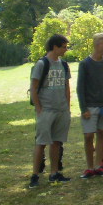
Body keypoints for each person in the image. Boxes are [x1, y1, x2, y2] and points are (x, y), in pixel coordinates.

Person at [28, 34, 72, 188]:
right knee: (41, 143)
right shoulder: (42, 64)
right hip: (46, 110)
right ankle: (35, 175)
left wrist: (67, 107)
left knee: (57, 142)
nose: (66, 50)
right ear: (55, 47)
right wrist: (39, 108)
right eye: (63, 47)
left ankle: (54, 173)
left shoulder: (64, 65)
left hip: (61, 110)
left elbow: (67, 87)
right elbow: (34, 87)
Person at [77, 33, 103, 179]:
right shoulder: (85, 64)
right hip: (90, 107)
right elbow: (80, 88)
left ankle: (98, 166)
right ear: (96, 44)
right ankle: (89, 167)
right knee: (88, 136)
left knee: (102, 135)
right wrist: (83, 108)